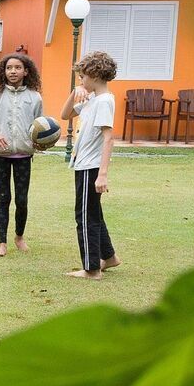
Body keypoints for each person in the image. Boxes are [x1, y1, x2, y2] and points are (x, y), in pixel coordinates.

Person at [59, 51, 120, 279]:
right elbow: (65, 115)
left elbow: (108, 138)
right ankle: (110, 257)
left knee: (85, 217)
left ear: (94, 75)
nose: (81, 81)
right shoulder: (92, 99)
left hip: (90, 168)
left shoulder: (104, 102)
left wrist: (102, 174)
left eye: (82, 77)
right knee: (94, 213)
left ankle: (92, 269)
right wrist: (75, 93)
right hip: (83, 165)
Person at [0, 53, 44, 257]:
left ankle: (19, 237)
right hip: (0, 155)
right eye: (9, 68)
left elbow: (40, 127)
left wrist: (40, 142)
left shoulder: (35, 97)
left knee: (22, 199)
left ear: (26, 71)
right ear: (3, 72)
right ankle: (2, 244)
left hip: (24, 156)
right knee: (3, 198)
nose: (13, 71)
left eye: (17, 68)